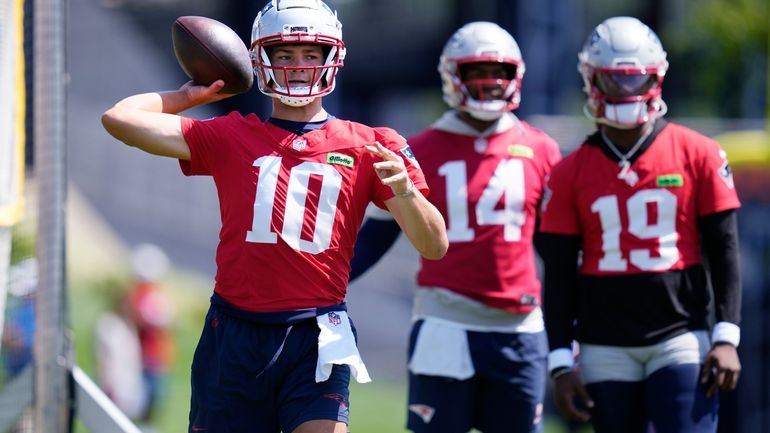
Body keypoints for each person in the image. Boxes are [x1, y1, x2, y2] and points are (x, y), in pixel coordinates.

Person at [100, 0, 449, 432]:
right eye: (284, 54)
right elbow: (119, 119)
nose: (298, 66)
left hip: (317, 333)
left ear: (331, 58)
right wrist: (186, 96)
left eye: (309, 54)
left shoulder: (373, 145)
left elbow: (434, 245)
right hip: (234, 333)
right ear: (261, 61)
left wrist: (405, 191)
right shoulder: (230, 134)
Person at [349, 22, 561, 433]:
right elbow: (374, 238)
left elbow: (557, 248)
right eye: (475, 71)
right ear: (452, 76)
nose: (488, 82)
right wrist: (317, 288)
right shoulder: (418, 149)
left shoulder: (542, 148)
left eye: (498, 72)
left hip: (519, 326)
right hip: (444, 323)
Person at [538, 16, 742, 433]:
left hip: (680, 335)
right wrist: (560, 362)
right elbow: (559, 273)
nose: (625, 92)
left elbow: (724, 250)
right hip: (604, 344)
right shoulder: (568, 172)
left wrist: (726, 336)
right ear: (592, 81)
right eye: (613, 80)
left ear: (656, 78)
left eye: (635, 80)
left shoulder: (698, 153)